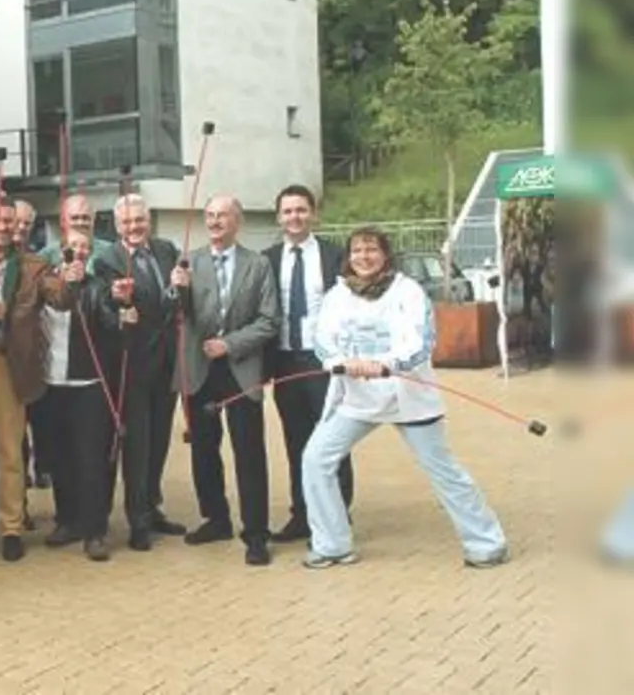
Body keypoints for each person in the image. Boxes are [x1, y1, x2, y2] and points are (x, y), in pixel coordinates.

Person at [301, 226, 510, 570]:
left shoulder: (408, 291)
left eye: (371, 250)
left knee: (444, 471)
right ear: (348, 257)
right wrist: (341, 363)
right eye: (356, 251)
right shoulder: (337, 295)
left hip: (408, 398)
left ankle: (486, 543)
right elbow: (323, 339)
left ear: (385, 255)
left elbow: (421, 342)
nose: (363, 257)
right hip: (357, 400)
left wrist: (386, 365)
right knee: (315, 459)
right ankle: (332, 544)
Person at [0, 197, 82, 561]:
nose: (3, 228)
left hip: (7, 363)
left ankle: (11, 525)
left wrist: (71, 281)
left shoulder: (33, 266)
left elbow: (61, 299)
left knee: (9, 448)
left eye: (9, 221)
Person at [169, 195, 279, 565]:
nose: (215, 222)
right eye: (210, 216)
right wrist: (177, 289)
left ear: (238, 221)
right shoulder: (188, 262)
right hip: (199, 370)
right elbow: (178, 315)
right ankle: (215, 518)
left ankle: (256, 534)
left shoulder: (258, 264)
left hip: (240, 366)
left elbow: (269, 320)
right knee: (203, 449)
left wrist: (229, 344)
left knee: (249, 451)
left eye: (223, 216)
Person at [91, 193, 187, 549]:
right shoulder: (107, 260)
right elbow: (101, 304)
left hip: (166, 364)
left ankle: (152, 506)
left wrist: (181, 288)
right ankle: (137, 521)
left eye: (140, 220)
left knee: (160, 442)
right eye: (128, 222)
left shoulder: (166, 250)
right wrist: (117, 301)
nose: (135, 227)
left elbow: (176, 300)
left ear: (149, 221)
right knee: (138, 445)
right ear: (117, 226)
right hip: (131, 365)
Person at [264, 184, 353, 544]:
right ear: (278, 217)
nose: (294, 217)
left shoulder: (334, 257)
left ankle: (339, 513)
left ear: (313, 214)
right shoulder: (267, 259)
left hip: (324, 363)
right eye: (287, 211)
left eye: (301, 210)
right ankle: (301, 514)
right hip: (285, 361)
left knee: (334, 440)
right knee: (296, 441)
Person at [38, 229, 117, 560]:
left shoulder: (98, 287)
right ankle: (67, 520)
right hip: (50, 384)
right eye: (74, 247)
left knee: (91, 460)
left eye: (86, 247)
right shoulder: (44, 285)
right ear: (61, 251)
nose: (80, 252)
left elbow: (112, 324)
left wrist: (123, 309)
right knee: (59, 459)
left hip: (88, 386)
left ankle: (95, 530)